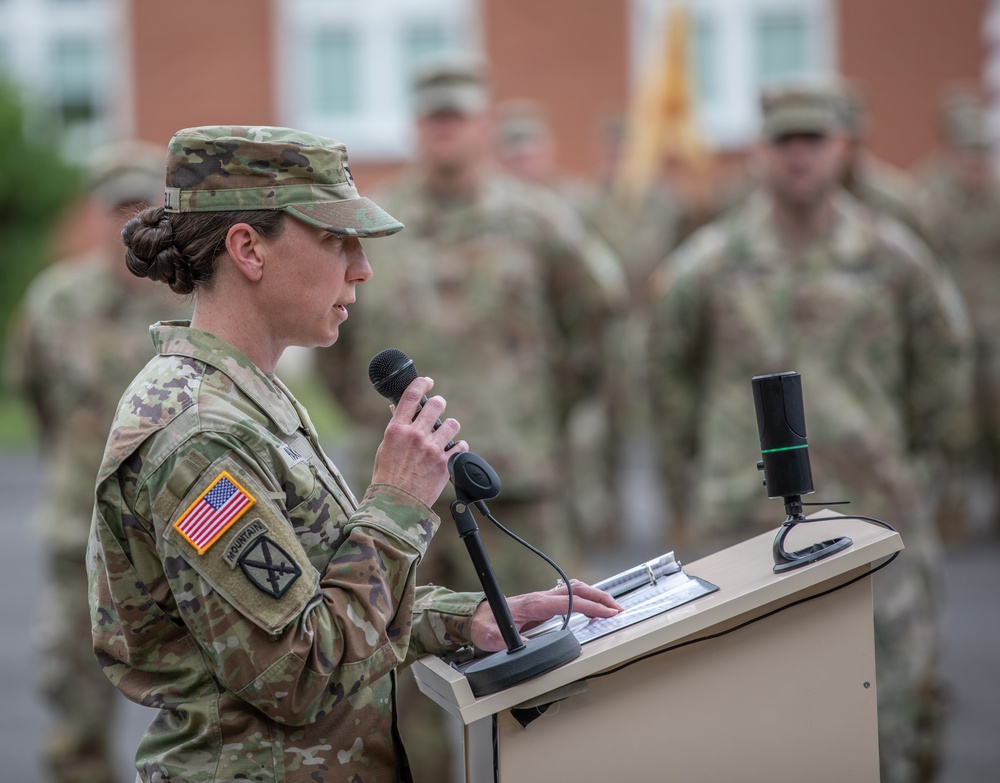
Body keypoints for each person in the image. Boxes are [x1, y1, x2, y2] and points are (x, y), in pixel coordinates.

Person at [85, 125, 620, 783]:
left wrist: (465, 618)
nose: (362, 267)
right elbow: (297, 671)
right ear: (248, 248)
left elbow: (318, 603)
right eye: (336, 239)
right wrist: (395, 503)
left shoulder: (247, 398)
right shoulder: (200, 435)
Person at [647, 83, 972, 783]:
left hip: (874, 510)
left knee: (894, 704)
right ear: (760, 152)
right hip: (743, 518)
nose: (800, 157)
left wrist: (898, 461)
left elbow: (945, 367)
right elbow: (667, 381)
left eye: (814, 140)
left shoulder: (892, 257)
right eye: (785, 141)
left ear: (843, 147)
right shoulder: (708, 265)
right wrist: (689, 482)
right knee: (743, 704)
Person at [315, 56, 627, 590]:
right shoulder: (375, 222)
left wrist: (539, 415)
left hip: (515, 484)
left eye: (457, 118)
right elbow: (332, 334)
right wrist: (372, 416)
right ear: (416, 125)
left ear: (483, 125)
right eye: (435, 118)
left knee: (542, 640)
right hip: (401, 490)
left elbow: (597, 319)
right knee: (402, 655)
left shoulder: (536, 218)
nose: (446, 130)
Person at [4, 140, 187, 783]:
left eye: (142, 207)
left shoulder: (189, 300)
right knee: (74, 702)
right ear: (95, 214)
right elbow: (38, 401)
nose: (128, 223)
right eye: (118, 208)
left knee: (206, 706)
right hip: (77, 529)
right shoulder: (55, 302)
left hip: (178, 538)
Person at [914, 88, 1000, 542]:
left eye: (983, 153)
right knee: (954, 425)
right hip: (950, 328)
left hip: (995, 326)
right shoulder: (928, 197)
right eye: (969, 154)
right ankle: (952, 511)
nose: (977, 163)